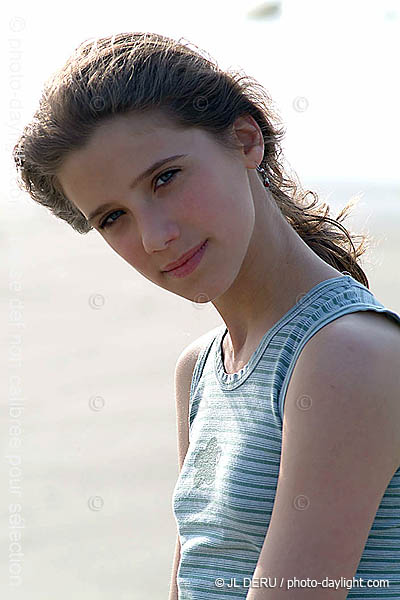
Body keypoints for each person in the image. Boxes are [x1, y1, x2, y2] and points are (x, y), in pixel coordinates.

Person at [12, 32, 400, 600]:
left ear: (245, 140)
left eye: (164, 178)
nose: (155, 236)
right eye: (114, 216)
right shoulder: (199, 371)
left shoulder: (349, 352)